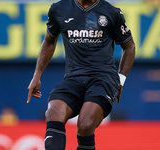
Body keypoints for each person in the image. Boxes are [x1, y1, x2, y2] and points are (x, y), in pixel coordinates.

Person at [27, 0, 135, 149]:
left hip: (103, 79)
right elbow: (49, 42)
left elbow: (129, 47)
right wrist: (36, 76)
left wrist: (120, 80)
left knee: (85, 125)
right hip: (73, 78)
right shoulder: (59, 9)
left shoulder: (111, 12)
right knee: (52, 113)